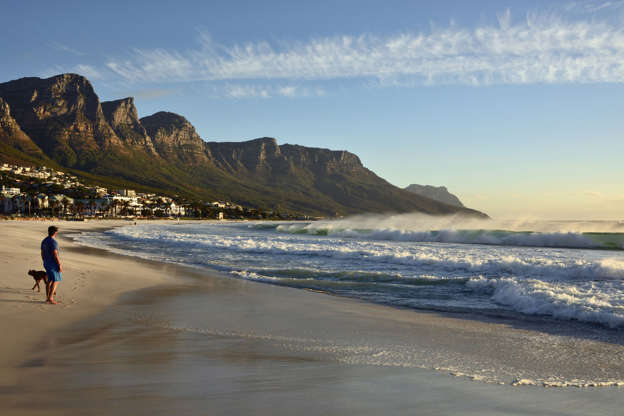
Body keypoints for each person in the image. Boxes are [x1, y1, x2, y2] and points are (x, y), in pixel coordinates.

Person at [41, 226, 62, 304]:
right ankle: (50, 298)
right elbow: (55, 254)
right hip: (53, 263)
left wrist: (44, 261)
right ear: (55, 233)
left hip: (46, 262)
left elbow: (42, 253)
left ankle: (47, 298)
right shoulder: (53, 242)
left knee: (49, 281)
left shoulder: (44, 241)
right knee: (55, 280)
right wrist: (59, 264)